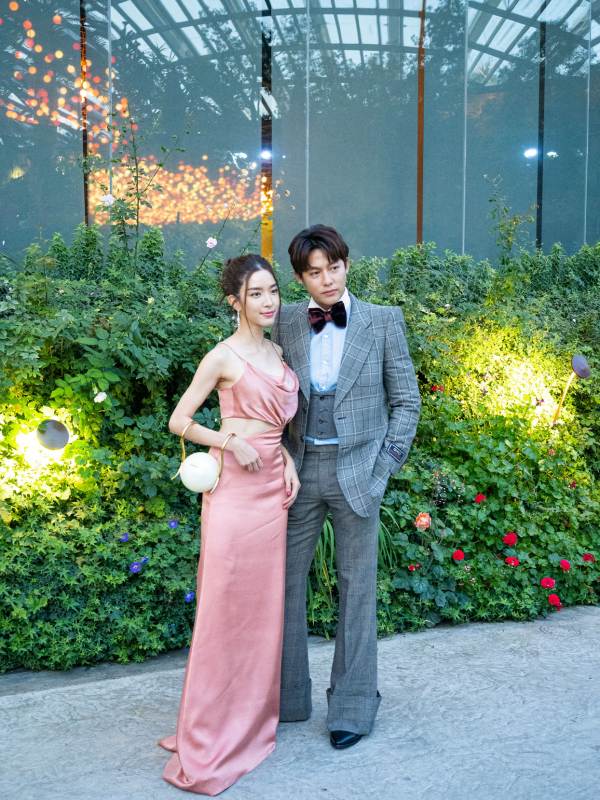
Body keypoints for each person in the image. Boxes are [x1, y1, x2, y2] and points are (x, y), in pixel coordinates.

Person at [271, 224, 421, 750]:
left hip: (359, 473)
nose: (327, 279)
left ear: (347, 265)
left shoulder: (383, 321)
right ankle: (286, 699)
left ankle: (353, 707)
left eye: (334, 268)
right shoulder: (285, 320)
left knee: (357, 590)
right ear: (300, 278)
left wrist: (383, 469)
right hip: (298, 470)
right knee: (283, 585)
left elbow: (407, 402)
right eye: (315, 272)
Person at [158, 254, 301, 795]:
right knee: (225, 611)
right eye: (256, 293)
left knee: (261, 613)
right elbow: (179, 420)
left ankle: (248, 720)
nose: (268, 301)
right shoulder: (222, 356)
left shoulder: (278, 352)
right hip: (235, 496)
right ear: (234, 302)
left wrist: (286, 459)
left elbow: (274, 428)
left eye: (273, 291)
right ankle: (210, 729)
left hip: (271, 492)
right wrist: (228, 441)